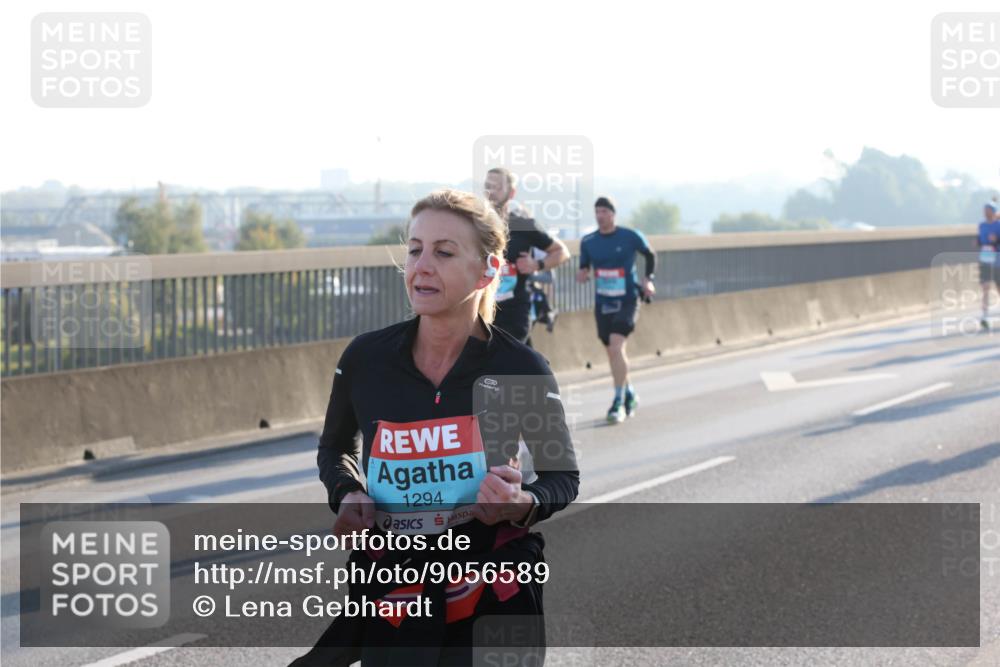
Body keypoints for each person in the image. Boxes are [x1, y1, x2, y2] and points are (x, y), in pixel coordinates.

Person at [292, 188, 579, 666]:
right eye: (414, 249)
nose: (422, 265)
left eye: (444, 253)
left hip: (492, 587)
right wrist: (347, 492)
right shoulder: (366, 359)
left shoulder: (519, 366)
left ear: (487, 270)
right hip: (396, 587)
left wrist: (521, 504)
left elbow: (561, 478)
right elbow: (336, 447)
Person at [576, 196, 656, 424]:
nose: (600, 216)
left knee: (616, 344)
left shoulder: (630, 236)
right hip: (603, 302)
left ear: (613, 214)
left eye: (604, 211)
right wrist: (582, 274)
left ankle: (618, 401)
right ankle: (629, 392)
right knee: (612, 351)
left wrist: (648, 279)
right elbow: (584, 267)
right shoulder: (588, 241)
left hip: (628, 299)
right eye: (597, 212)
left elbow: (650, 255)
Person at [484, 167, 570, 346]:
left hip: (514, 312)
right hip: (481, 310)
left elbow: (562, 252)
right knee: (522, 365)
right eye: (487, 186)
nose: (491, 191)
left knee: (505, 362)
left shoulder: (523, 225)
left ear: (511, 193)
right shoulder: (473, 226)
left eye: (497, 187)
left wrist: (537, 264)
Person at [976, 200, 999, 330]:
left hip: (998, 260)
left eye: (988, 210)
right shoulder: (981, 225)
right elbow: (980, 240)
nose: (985, 213)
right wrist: (978, 242)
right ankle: (985, 316)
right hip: (985, 258)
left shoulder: (999, 225)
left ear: (993, 212)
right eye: (984, 210)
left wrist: (996, 240)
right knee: (985, 288)